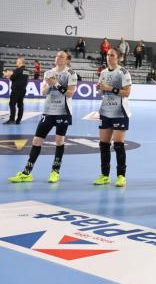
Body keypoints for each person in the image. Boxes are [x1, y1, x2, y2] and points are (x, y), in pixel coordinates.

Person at [8, 51, 77, 183]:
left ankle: (55, 172)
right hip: (48, 111)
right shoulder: (48, 73)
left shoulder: (71, 73)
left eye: (61, 56)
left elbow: (70, 94)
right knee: (36, 141)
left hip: (63, 112)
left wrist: (56, 84)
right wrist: (48, 85)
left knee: (59, 141)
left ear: (67, 60)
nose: (58, 58)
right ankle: (27, 173)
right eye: (57, 56)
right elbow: (44, 92)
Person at [93, 48, 132, 187]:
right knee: (104, 145)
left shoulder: (123, 72)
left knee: (118, 145)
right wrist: (99, 88)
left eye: (112, 55)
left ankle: (121, 176)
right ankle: (105, 176)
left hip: (119, 112)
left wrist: (109, 88)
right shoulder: (103, 72)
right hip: (105, 111)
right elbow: (101, 91)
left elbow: (127, 93)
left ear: (118, 58)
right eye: (108, 55)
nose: (109, 57)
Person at [3, 57, 29, 125]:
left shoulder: (17, 70)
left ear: (20, 62)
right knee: (20, 105)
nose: (16, 62)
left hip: (16, 90)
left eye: (17, 61)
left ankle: (12, 120)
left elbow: (12, 78)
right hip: (23, 90)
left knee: (12, 104)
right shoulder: (27, 71)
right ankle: (18, 120)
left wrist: (7, 75)